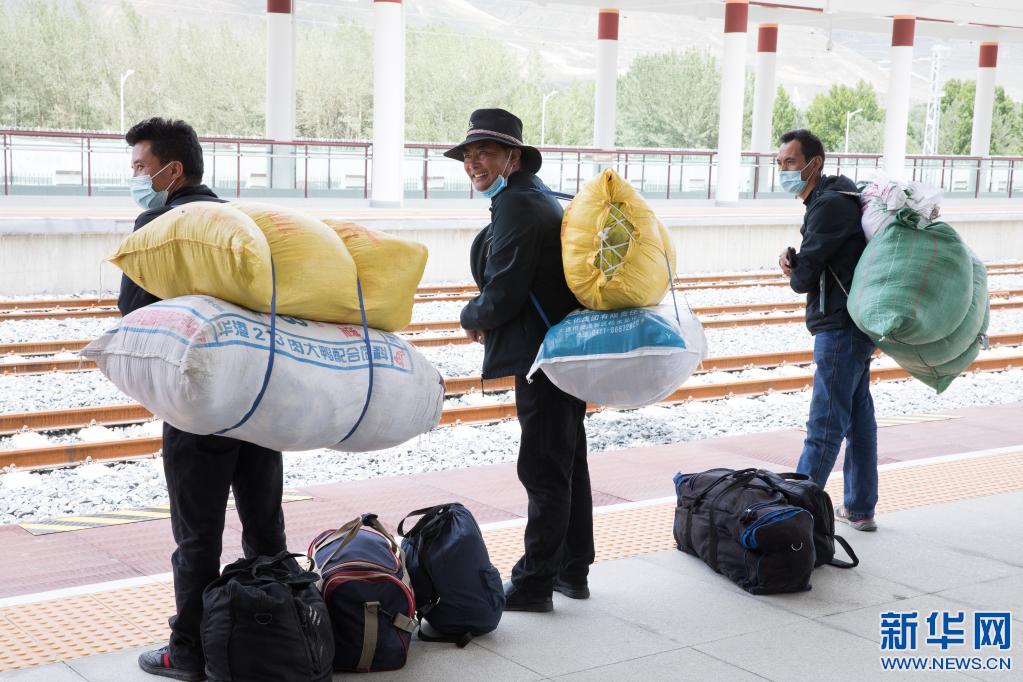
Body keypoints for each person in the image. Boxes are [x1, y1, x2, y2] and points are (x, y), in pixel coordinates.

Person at [122, 118, 291, 681]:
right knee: (265, 525)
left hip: (197, 407)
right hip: (257, 399)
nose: (135, 178)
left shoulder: (159, 225)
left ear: (172, 171)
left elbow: (133, 312)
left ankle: (190, 650)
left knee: (197, 536)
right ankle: (283, 635)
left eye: (141, 167)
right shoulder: (240, 223)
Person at [445, 108, 593, 612]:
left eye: (484, 152)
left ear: (513, 156)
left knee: (543, 468)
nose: (473, 162)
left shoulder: (516, 204)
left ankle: (534, 583)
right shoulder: (539, 197)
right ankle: (573, 569)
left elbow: (504, 291)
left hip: (541, 357)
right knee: (568, 460)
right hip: (562, 349)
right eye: (468, 154)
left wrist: (471, 315)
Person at [777, 128, 878, 532]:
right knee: (858, 421)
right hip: (855, 323)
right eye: (780, 163)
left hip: (839, 327)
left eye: (790, 162)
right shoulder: (836, 198)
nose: (783, 170)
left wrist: (792, 266)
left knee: (824, 426)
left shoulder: (828, 205)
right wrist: (800, 262)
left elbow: (804, 278)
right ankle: (860, 507)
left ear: (813, 163)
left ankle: (793, 517)